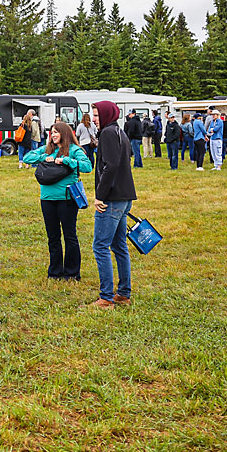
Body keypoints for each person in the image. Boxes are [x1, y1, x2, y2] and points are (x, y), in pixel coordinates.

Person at [22, 122, 92, 281]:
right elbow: (27, 157)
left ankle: (72, 273)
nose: (53, 135)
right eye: (51, 133)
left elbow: (87, 166)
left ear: (65, 133)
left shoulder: (74, 150)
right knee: (53, 237)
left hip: (67, 199)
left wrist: (67, 161)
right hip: (47, 199)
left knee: (69, 236)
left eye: (56, 132)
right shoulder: (48, 149)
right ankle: (55, 271)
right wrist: (43, 157)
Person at [89, 101, 137, 309]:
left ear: (108, 115)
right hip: (124, 197)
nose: (93, 119)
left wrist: (100, 195)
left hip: (112, 199)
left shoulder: (108, 133)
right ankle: (123, 293)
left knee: (100, 246)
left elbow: (111, 165)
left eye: (97, 115)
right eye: (93, 115)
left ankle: (106, 297)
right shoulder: (119, 132)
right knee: (119, 246)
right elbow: (128, 158)